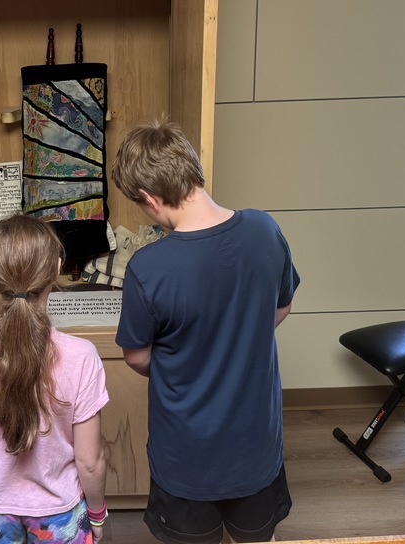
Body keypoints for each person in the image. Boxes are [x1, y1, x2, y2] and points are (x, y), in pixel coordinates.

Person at [110, 118, 300, 544]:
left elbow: (137, 356)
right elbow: (283, 304)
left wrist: (192, 356)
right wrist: (240, 336)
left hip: (186, 458)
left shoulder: (148, 268)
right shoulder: (264, 230)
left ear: (149, 198)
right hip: (257, 445)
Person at [0, 214, 110, 543]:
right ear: (57, 268)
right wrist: (97, 514)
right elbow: (90, 461)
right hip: (60, 511)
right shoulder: (82, 355)